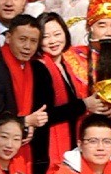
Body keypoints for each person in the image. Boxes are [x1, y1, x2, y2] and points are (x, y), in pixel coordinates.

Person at [0, 14, 70, 174]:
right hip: (3, 149)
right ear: (8, 37)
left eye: (33, 41)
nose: (27, 46)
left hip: (29, 149)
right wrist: (25, 121)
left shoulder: (33, 66)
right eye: (22, 39)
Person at [36, 13, 90, 164]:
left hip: (73, 137)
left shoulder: (69, 64)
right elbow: (46, 113)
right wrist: (84, 105)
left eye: (57, 34)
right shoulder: (39, 67)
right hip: (48, 144)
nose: (53, 41)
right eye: (46, 37)